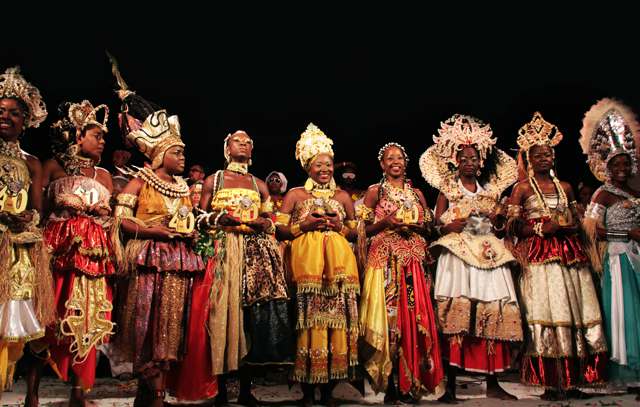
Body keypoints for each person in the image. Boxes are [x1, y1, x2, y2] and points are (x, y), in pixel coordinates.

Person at [110, 78, 204, 407]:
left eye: (183, 152)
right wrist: (155, 231)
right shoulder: (140, 180)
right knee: (145, 322)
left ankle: (157, 391)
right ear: (161, 153)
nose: (182, 157)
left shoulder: (182, 187)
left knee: (172, 325)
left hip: (179, 262)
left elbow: (189, 220)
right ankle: (151, 391)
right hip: (148, 259)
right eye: (177, 152)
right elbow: (120, 220)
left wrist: (190, 232)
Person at [421, 114, 522, 402]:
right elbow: (436, 222)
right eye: (464, 158)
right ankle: (450, 386)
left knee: (491, 308)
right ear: (455, 160)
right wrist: (446, 225)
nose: (470, 162)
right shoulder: (448, 189)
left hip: (488, 254)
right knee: (457, 313)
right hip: (458, 257)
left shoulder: (490, 193)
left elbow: (495, 226)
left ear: (481, 161)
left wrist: (498, 220)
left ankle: (492, 383)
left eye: (475, 158)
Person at [507, 112, 607, 400]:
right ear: (528, 158)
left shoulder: (565, 187)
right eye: (538, 155)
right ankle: (551, 383)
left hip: (570, 254)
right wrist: (541, 227)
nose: (545, 158)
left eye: (549, 154)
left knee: (576, 312)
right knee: (548, 313)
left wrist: (569, 226)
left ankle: (574, 381)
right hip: (540, 258)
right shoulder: (522, 188)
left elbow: (576, 218)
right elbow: (513, 228)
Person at [190, 130, 293, 406]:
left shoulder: (259, 184)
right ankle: (220, 389)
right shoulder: (215, 179)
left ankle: (247, 389)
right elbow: (198, 217)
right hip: (223, 252)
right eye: (238, 140)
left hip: (255, 255)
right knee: (222, 316)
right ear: (227, 147)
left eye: (249, 141)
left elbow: (271, 219)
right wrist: (218, 218)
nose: (245, 144)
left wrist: (266, 223)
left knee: (249, 319)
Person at [276, 123, 360, 407]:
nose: (324, 169)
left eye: (328, 164)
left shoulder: (343, 197)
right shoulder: (296, 195)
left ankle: (329, 391)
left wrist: (340, 227)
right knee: (308, 325)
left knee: (337, 325)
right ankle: (306, 391)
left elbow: (356, 230)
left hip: (338, 273)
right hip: (307, 271)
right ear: (308, 168)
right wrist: (304, 225)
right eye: (318, 164)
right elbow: (279, 230)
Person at [38, 100, 115, 406]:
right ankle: (34, 388)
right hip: (60, 248)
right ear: (80, 134)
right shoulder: (54, 166)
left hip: (94, 254)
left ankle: (79, 391)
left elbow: (111, 221)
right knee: (53, 313)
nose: (102, 142)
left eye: (104, 138)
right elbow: (41, 210)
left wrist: (101, 214)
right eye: (98, 136)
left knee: (89, 316)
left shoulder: (105, 176)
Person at [358, 142, 443, 402]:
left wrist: (417, 226)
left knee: (413, 320)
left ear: (406, 164)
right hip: (386, 264)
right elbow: (361, 231)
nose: (395, 161)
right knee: (390, 321)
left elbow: (430, 229)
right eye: (389, 158)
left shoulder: (418, 194)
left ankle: (411, 383)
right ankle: (390, 385)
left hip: (413, 265)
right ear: (382, 165)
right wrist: (386, 223)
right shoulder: (375, 192)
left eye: (400, 158)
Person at [0, 66, 54, 403]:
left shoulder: (32, 162)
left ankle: (29, 396)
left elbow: (37, 209)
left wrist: (25, 218)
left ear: (25, 120)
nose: (5, 117)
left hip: (17, 249)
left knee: (17, 326)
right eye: (0, 111)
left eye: (13, 113)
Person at [580, 99, 640, 399]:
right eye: (615, 164)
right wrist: (625, 233)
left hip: (637, 254)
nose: (621, 168)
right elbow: (591, 229)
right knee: (622, 311)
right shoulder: (603, 194)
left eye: (625, 163)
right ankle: (623, 368)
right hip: (617, 257)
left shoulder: (636, 192)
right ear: (606, 167)